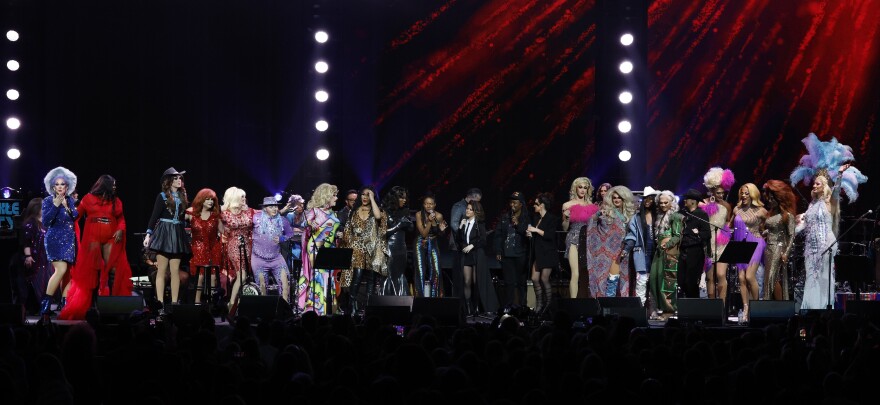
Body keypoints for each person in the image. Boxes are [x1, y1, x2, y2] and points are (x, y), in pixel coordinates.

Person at [790, 133, 868, 310]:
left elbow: (836, 191)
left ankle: (824, 308)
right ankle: (809, 309)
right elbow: (802, 225)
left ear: (824, 185)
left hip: (826, 244)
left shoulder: (829, 203)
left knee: (824, 277)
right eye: (814, 183)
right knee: (811, 277)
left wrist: (839, 175)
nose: (814, 185)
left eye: (818, 183)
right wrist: (794, 227)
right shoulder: (811, 206)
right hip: (811, 246)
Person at [60, 175, 134, 320]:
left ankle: (113, 302)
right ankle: (93, 306)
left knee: (112, 268)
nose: (115, 187)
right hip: (92, 237)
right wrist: (66, 208)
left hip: (111, 236)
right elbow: (77, 215)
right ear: (105, 185)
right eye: (113, 184)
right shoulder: (88, 198)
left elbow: (121, 219)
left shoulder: (116, 201)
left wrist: (120, 229)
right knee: (93, 270)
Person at [143, 168, 190, 312]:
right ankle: (160, 304)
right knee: (162, 270)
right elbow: (154, 216)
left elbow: (183, 218)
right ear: (169, 181)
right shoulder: (162, 196)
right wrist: (148, 234)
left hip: (177, 233)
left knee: (175, 270)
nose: (179, 180)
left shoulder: (183, 197)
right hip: (164, 233)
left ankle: (175, 304)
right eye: (175, 178)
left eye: (180, 178)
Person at [581, 185, 635, 297]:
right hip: (609, 251)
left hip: (625, 249)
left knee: (624, 279)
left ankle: (618, 305)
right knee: (611, 278)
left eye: (619, 197)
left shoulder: (630, 215)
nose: (616, 199)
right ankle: (608, 304)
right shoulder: (607, 211)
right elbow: (592, 221)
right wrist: (599, 214)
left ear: (624, 199)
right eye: (614, 197)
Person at [340, 187, 386, 314]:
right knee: (357, 276)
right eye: (363, 194)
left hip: (371, 248)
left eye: (368, 195)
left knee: (371, 280)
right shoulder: (354, 211)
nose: (365, 197)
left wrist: (372, 198)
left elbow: (378, 217)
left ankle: (368, 308)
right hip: (357, 247)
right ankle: (352, 308)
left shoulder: (377, 210)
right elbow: (348, 231)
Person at [296, 183, 341, 315]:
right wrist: (311, 223)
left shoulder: (333, 213)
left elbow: (331, 230)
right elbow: (304, 223)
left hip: (329, 249)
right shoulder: (315, 211)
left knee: (328, 278)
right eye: (334, 195)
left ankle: (328, 307)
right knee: (319, 276)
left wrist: (338, 235)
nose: (336, 198)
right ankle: (316, 308)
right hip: (315, 247)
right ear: (326, 196)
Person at [39, 166, 78, 316]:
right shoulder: (48, 201)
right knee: (60, 270)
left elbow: (75, 216)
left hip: (69, 240)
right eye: (57, 184)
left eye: (63, 184)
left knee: (67, 273)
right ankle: (46, 304)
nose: (60, 187)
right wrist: (56, 205)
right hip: (54, 239)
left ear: (67, 186)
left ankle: (65, 304)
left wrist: (67, 206)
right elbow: (46, 221)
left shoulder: (69, 200)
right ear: (52, 186)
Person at [730, 183, 767, 318]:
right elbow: (730, 225)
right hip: (741, 244)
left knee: (749, 276)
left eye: (746, 193)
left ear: (753, 194)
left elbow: (770, 225)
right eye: (742, 193)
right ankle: (746, 308)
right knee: (741, 278)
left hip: (756, 241)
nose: (744, 195)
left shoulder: (761, 210)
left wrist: (765, 233)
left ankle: (754, 307)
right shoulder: (736, 209)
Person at [701, 167, 734, 306]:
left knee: (721, 275)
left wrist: (727, 233)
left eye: (723, 192)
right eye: (718, 192)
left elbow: (728, 224)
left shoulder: (727, 206)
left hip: (722, 243)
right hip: (708, 242)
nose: (721, 195)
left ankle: (722, 305)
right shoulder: (704, 203)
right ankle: (711, 306)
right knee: (710, 277)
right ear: (712, 190)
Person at [457, 201, 497, 315]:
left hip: (476, 254)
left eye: (470, 209)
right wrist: (460, 227)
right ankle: (468, 307)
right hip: (466, 255)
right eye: (467, 209)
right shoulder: (464, 222)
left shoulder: (479, 223)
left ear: (475, 211)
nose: (467, 211)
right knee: (467, 281)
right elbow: (459, 240)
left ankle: (477, 306)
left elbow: (483, 240)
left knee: (476, 281)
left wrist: (472, 245)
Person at [221, 187, 256, 315]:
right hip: (234, 245)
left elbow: (264, 213)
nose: (244, 199)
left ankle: (240, 304)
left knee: (245, 275)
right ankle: (231, 303)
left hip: (248, 245)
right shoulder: (224, 213)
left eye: (244, 196)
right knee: (242, 274)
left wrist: (285, 209)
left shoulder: (248, 211)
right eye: (242, 197)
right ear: (234, 197)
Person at [561, 177, 598, 299]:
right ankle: (573, 304)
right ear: (575, 188)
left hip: (588, 240)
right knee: (575, 273)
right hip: (574, 237)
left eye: (585, 188)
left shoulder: (592, 207)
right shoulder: (567, 205)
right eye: (580, 187)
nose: (582, 190)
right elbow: (565, 228)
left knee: (585, 274)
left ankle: (584, 303)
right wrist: (566, 218)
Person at [252, 197, 294, 302]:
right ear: (265, 208)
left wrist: (282, 238)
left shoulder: (282, 220)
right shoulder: (255, 218)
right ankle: (264, 312)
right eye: (271, 207)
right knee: (262, 287)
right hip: (258, 259)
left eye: (276, 206)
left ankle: (285, 310)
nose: (275, 209)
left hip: (276, 258)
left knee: (285, 285)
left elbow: (290, 233)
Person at [648, 190, 683, 319]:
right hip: (660, 252)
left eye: (665, 203)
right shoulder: (659, 215)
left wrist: (667, 245)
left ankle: (669, 311)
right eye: (661, 203)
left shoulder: (676, 216)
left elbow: (677, 236)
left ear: (671, 202)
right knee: (654, 280)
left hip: (670, 254)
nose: (663, 205)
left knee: (667, 283)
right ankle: (660, 308)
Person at [762, 180, 797, 300]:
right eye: (769, 198)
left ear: (779, 199)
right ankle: (772, 303)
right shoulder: (771, 214)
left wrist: (786, 253)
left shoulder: (787, 215)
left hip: (778, 248)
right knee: (768, 278)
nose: (770, 201)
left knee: (772, 277)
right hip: (768, 248)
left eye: (772, 198)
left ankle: (777, 304)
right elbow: (772, 229)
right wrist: (766, 233)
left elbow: (792, 235)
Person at [187, 188, 224, 304]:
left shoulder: (216, 215)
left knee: (213, 275)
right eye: (207, 199)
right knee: (200, 276)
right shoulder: (191, 213)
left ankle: (213, 303)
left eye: (212, 199)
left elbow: (223, 231)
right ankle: (197, 302)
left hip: (213, 248)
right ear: (201, 200)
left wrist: (225, 217)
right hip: (197, 248)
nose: (210, 202)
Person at [494, 191, 531, 307]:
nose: (512, 205)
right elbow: (498, 235)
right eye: (511, 203)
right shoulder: (505, 217)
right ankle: (508, 307)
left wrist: (517, 224)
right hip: (507, 254)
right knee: (509, 282)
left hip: (521, 254)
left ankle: (522, 306)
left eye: (515, 203)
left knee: (521, 282)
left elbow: (527, 234)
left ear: (521, 204)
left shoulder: (527, 218)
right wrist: (498, 250)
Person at [623, 188, 659, 306]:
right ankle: (641, 308)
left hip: (656, 253)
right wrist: (626, 249)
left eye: (650, 199)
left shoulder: (658, 217)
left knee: (654, 282)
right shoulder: (636, 218)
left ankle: (654, 309)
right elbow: (631, 236)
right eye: (646, 199)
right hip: (641, 252)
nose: (648, 201)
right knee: (641, 282)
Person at [16, 198, 52, 313]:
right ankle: (37, 307)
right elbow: (26, 241)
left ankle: (45, 308)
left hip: (45, 258)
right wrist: (28, 256)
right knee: (37, 283)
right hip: (35, 259)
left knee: (47, 282)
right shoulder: (30, 223)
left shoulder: (45, 222)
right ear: (37, 208)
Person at [527, 193, 560, 317]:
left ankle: (548, 305)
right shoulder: (536, 218)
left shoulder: (552, 218)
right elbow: (536, 235)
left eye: (535, 204)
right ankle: (539, 304)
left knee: (544, 279)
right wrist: (530, 235)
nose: (534, 206)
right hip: (538, 253)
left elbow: (550, 235)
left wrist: (536, 230)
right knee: (534, 278)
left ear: (541, 205)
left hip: (548, 253)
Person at [678, 189, 711, 299]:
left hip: (695, 252)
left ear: (692, 201)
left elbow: (706, 234)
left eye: (686, 199)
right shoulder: (682, 213)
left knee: (691, 282)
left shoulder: (701, 214)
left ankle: (693, 308)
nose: (684, 200)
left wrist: (696, 234)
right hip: (682, 251)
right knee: (681, 280)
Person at [381, 186, 414, 296]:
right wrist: (399, 225)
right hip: (389, 247)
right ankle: (387, 302)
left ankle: (401, 302)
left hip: (402, 248)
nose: (404, 200)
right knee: (389, 274)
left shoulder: (405, 211)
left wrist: (408, 224)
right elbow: (382, 233)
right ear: (395, 198)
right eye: (402, 198)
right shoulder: (384, 211)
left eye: (405, 198)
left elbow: (411, 228)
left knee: (400, 274)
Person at [449, 188, 482, 298]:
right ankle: (458, 304)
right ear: (471, 197)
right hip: (458, 246)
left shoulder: (472, 208)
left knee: (469, 279)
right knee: (460, 278)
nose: (478, 203)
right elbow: (454, 224)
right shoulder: (459, 206)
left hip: (468, 247)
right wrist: (462, 238)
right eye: (477, 200)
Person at [414, 192, 448, 297]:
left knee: (436, 271)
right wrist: (429, 221)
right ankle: (419, 299)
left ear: (435, 204)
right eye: (426, 204)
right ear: (423, 205)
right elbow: (423, 234)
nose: (428, 206)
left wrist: (442, 231)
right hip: (420, 243)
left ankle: (435, 298)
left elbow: (441, 234)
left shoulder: (439, 216)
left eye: (431, 204)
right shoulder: (419, 214)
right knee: (420, 272)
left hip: (433, 243)